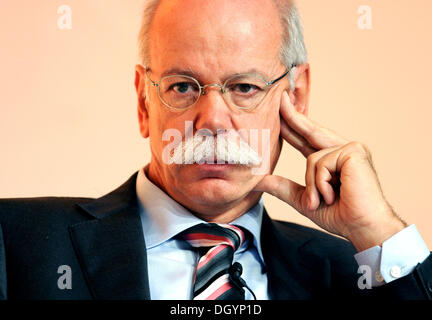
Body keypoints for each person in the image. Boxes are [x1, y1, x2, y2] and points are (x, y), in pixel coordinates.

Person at [0, 0, 430, 300]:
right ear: (143, 102)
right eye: (183, 87)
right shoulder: (15, 242)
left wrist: (378, 231)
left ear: (295, 98)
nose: (212, 120)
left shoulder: (354, 273)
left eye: (244, 87)